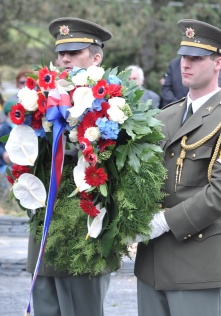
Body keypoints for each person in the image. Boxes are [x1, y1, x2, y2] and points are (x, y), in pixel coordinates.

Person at [133, 19, 221, 316]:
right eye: (184, 57)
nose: (186, 64)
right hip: (152, 262)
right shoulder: (165, 116)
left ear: (217, 63)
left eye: (196, 58)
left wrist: (165, 221)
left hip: (197, 259)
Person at [25, 17, 113, 316]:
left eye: (74, 52)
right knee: (46, 307)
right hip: (46, 222)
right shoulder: (41, 98)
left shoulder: (112, 101)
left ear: (96, 57)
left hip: (83, 228)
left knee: (82, 309)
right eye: (61, 51)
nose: (64, 58)